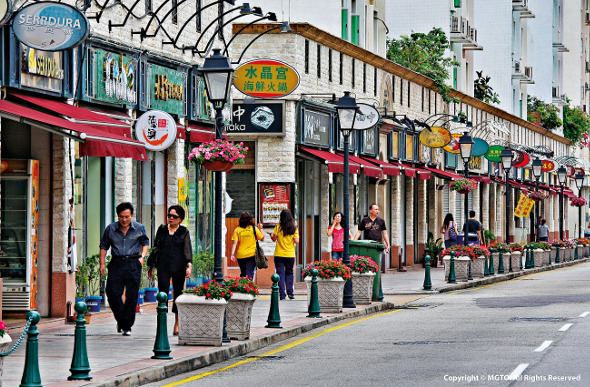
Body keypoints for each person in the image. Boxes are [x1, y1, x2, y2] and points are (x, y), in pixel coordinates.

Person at [99, 202, 149, 336]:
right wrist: (102, 264)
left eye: (127, 216)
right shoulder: (110, 229)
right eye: (121, 217)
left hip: (133, 262)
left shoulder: (139, 228)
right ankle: (122, 320)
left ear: (131, 215)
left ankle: (126, 326)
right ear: (118, 216)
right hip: (116, 263)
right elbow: (104, 246)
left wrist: (142, 257)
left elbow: (145, 243)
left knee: (132, 296)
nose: (124, 220)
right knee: (112, 293)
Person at [147, 205, 192, 336]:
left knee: (178, 294)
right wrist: (151, 266)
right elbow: (155, 248)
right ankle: (162, 323)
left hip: (179, 266)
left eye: (174, 216)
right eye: (169, 215)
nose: (171, 218)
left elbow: (187, 249)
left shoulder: (184, 232)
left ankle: (177, 323)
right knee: (163, 293)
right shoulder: (161, 229)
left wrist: (189, 265)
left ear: (181, 219)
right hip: (163, 266)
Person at [270, 210, 299, 300]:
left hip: (279, 254)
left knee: (280, 273)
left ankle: (282, 294)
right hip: (290, 254)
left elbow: (274, 239)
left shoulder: (278, 227)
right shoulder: (294, 228)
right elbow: (296, 241)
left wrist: (271, 235)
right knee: (289, 273)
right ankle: (290, 293)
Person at [230, 212, 264, 279]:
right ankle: (249, 288)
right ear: (250, 220)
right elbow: (261, 238)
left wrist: (232, 254)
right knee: (249, 274)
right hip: (251, 255)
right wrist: (260, 228)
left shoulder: (237, 230)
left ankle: (244, 287)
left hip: (241, 255)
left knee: (243, 273)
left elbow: (234, 243)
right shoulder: (254, 229)